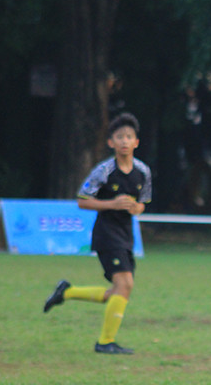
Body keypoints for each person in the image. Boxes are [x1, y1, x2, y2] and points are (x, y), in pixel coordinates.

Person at [43, 113, 152, 355]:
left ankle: (67, 292)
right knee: (125, 284)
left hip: (126, 235)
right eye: (119, 137)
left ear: (136, 142)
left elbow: (143, 203)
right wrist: (112, 204)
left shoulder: (143, 171)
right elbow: (82, 201)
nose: (124, 141)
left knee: (118, 290)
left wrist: (136, 208)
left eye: (129, 137)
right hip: (106, 233)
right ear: (111, 142)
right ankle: (105, 343)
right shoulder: (104, 171)